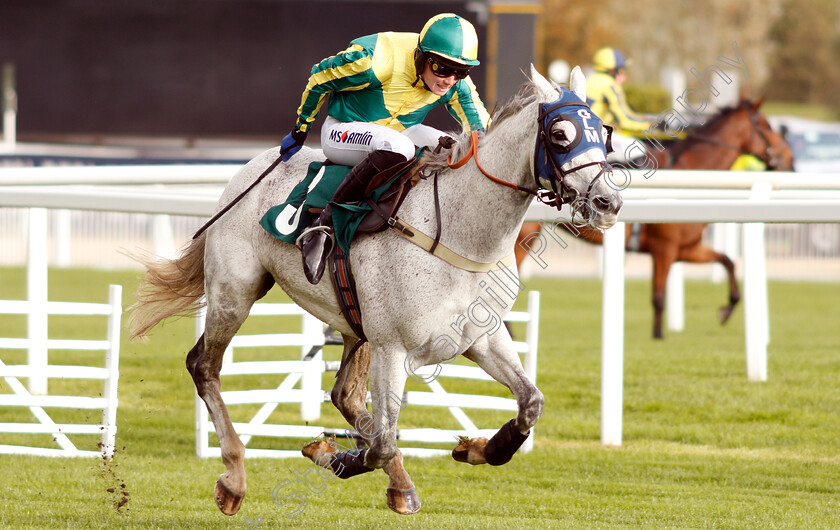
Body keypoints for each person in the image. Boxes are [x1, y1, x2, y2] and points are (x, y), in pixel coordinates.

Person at [280, 13, 491, 285]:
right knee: (400, 147)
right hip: (342, 131)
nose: (450, 79)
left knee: (452, 147)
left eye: (460, 72)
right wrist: (301, 128)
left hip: (396, 132)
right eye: (442, 68)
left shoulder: (455, 82)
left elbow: (483, 133)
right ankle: (322, 228)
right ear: (421, 57)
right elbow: (318, 77)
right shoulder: (373, 61)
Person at [586, 47, 656, 161]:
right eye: (622, 71)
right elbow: (625, 121)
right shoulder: (610, 86)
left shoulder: (588, 80)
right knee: (637, 148)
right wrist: (653, 125)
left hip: (582, 139)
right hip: (596, 138)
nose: (624, 76)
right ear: (613, 71)